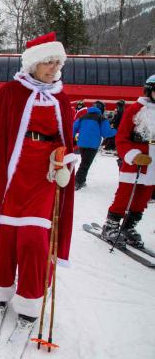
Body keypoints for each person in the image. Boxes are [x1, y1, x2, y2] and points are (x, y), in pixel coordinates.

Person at [0, 32, 76, 328]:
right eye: (48, 62)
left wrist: (65, 161)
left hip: (44, 177)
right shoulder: (11, 93)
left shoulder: (61, 98)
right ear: (34, 64)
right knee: (6, 235)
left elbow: (66, 140)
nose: (53, 68)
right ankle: (0, 290)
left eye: (57, 62)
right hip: (11, 177)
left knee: (34, 239)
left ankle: (30, 296)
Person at [100, 75, 155, 248]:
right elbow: (122, 137)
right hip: (135, 164)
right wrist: (133, 155)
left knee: (142, 198)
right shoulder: (136, 109)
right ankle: (111, 225)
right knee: (124, 195)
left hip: (152, 165)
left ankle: (129, 226)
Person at [73, 101, 116, 190]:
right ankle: (77, 182)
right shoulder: (101, 118)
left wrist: (72, 138)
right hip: (92, 145)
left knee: (84, 162)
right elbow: (106, 133)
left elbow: (74, 127)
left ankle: (81, 180)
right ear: (102, 109)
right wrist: (116, 131)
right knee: (85, 164)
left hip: (81, 144)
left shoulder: (83, 117)